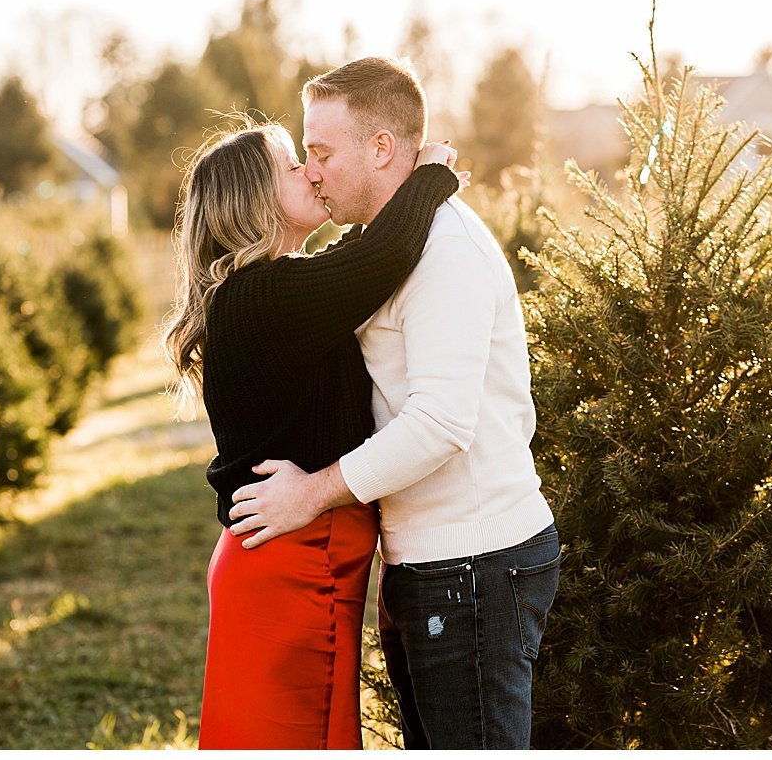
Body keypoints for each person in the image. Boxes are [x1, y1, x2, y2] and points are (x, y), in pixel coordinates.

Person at [228, 56, 560, 750]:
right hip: (427, 561)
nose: (310, 169)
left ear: (381, 148)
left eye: (320, 151)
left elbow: (440, 423)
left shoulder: (445, 251)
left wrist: (311, 494)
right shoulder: (380, 248)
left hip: (473, 562)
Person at [163, 116, 463, 750]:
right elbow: (381, 257)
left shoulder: (270, 289)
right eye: (291, 165)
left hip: (287, 556)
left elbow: (352, 258)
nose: (310, 170)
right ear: (256, 200)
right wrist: (431, 174)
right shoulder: (265, 296)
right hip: (295, 563)